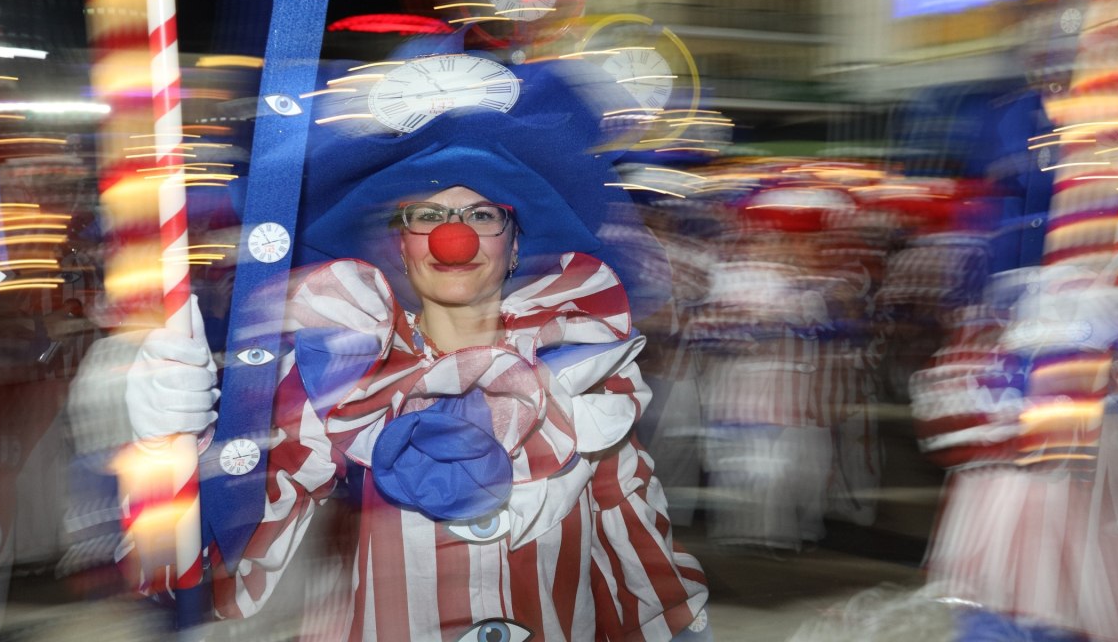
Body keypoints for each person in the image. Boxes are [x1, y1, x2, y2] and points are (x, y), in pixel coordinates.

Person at [118, 48, 711, 641]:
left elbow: (639, 555)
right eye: (427, 215)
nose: (455, 238)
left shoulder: (583, 376)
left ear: (514, 244)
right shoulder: (341, 379)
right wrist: (165, 454)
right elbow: (205, 562)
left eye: (482, 216)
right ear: (400, 246)